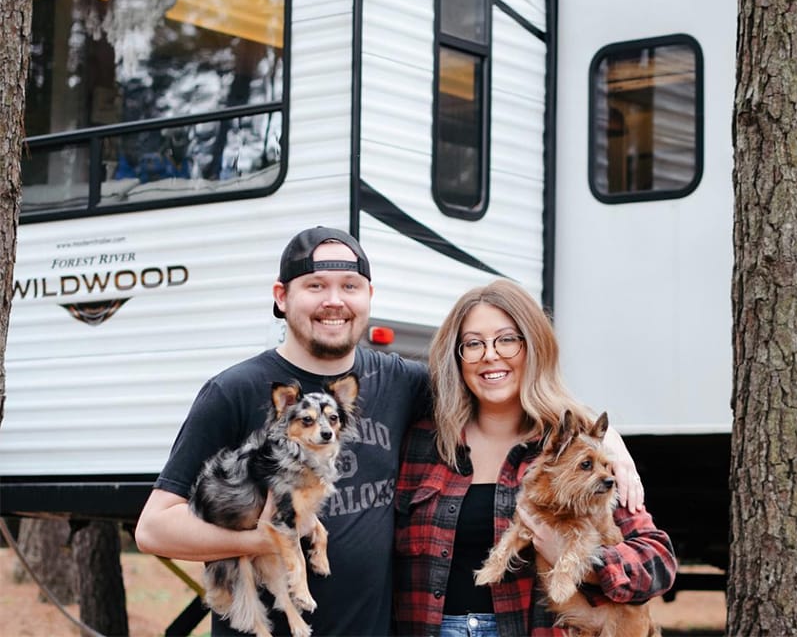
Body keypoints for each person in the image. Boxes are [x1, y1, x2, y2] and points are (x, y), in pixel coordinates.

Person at [136, 226, 644, 636]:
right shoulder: (234, 390)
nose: (334, 301)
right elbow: (154, 528)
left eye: (349, 287)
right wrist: (264, 541)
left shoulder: (400, 382)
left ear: (369, 296)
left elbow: (503, 384)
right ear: (281, 297)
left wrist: (607, 441)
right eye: (315, 286)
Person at [393, 279, 677, 637]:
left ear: (534, 348)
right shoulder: (423, 441)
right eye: (473, 344)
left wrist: (583, 562)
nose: (490, 355)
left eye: (507, 340)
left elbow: (659, 562)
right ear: (457, 356)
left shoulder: (575, 452)